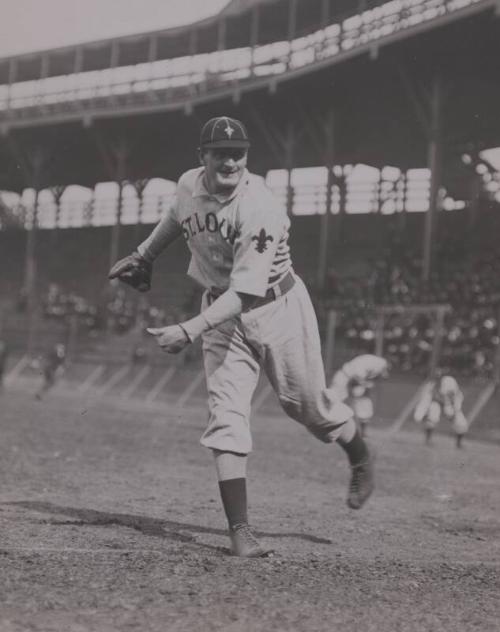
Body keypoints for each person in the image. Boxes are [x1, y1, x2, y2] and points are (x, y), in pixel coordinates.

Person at [109, 115, 375, 558]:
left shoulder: (260, 207)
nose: (231, 161)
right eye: (221, 153)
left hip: (276, 306)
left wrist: (189, 330)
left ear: (246, 158)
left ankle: (361, 456)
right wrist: (144, 254)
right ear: (203, 158)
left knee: (308, 407)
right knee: (226, 414)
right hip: (221, 311)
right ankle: (240, 531)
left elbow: (247, 291)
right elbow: (177, 218)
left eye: (238, 154)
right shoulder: (187, 186)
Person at [324, 354, 389, 437]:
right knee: (332, 401)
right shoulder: (378, 363)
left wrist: (365, 384)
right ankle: (323, 424)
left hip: (354, 380)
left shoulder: (376, 363)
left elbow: (362, 378)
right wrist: (366, 384)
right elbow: (357, 376)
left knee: (364, 403)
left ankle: (363, 432)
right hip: (345, 377)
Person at [413, 372, 468, 448]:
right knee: (433, 416)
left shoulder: (458, 396)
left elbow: (456, 408)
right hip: (438, 404)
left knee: (462, 423)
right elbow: (429, 400)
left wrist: (453, 413)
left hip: (449, 406)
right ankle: (428, 439)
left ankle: (459, 443)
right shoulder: (435, 392)